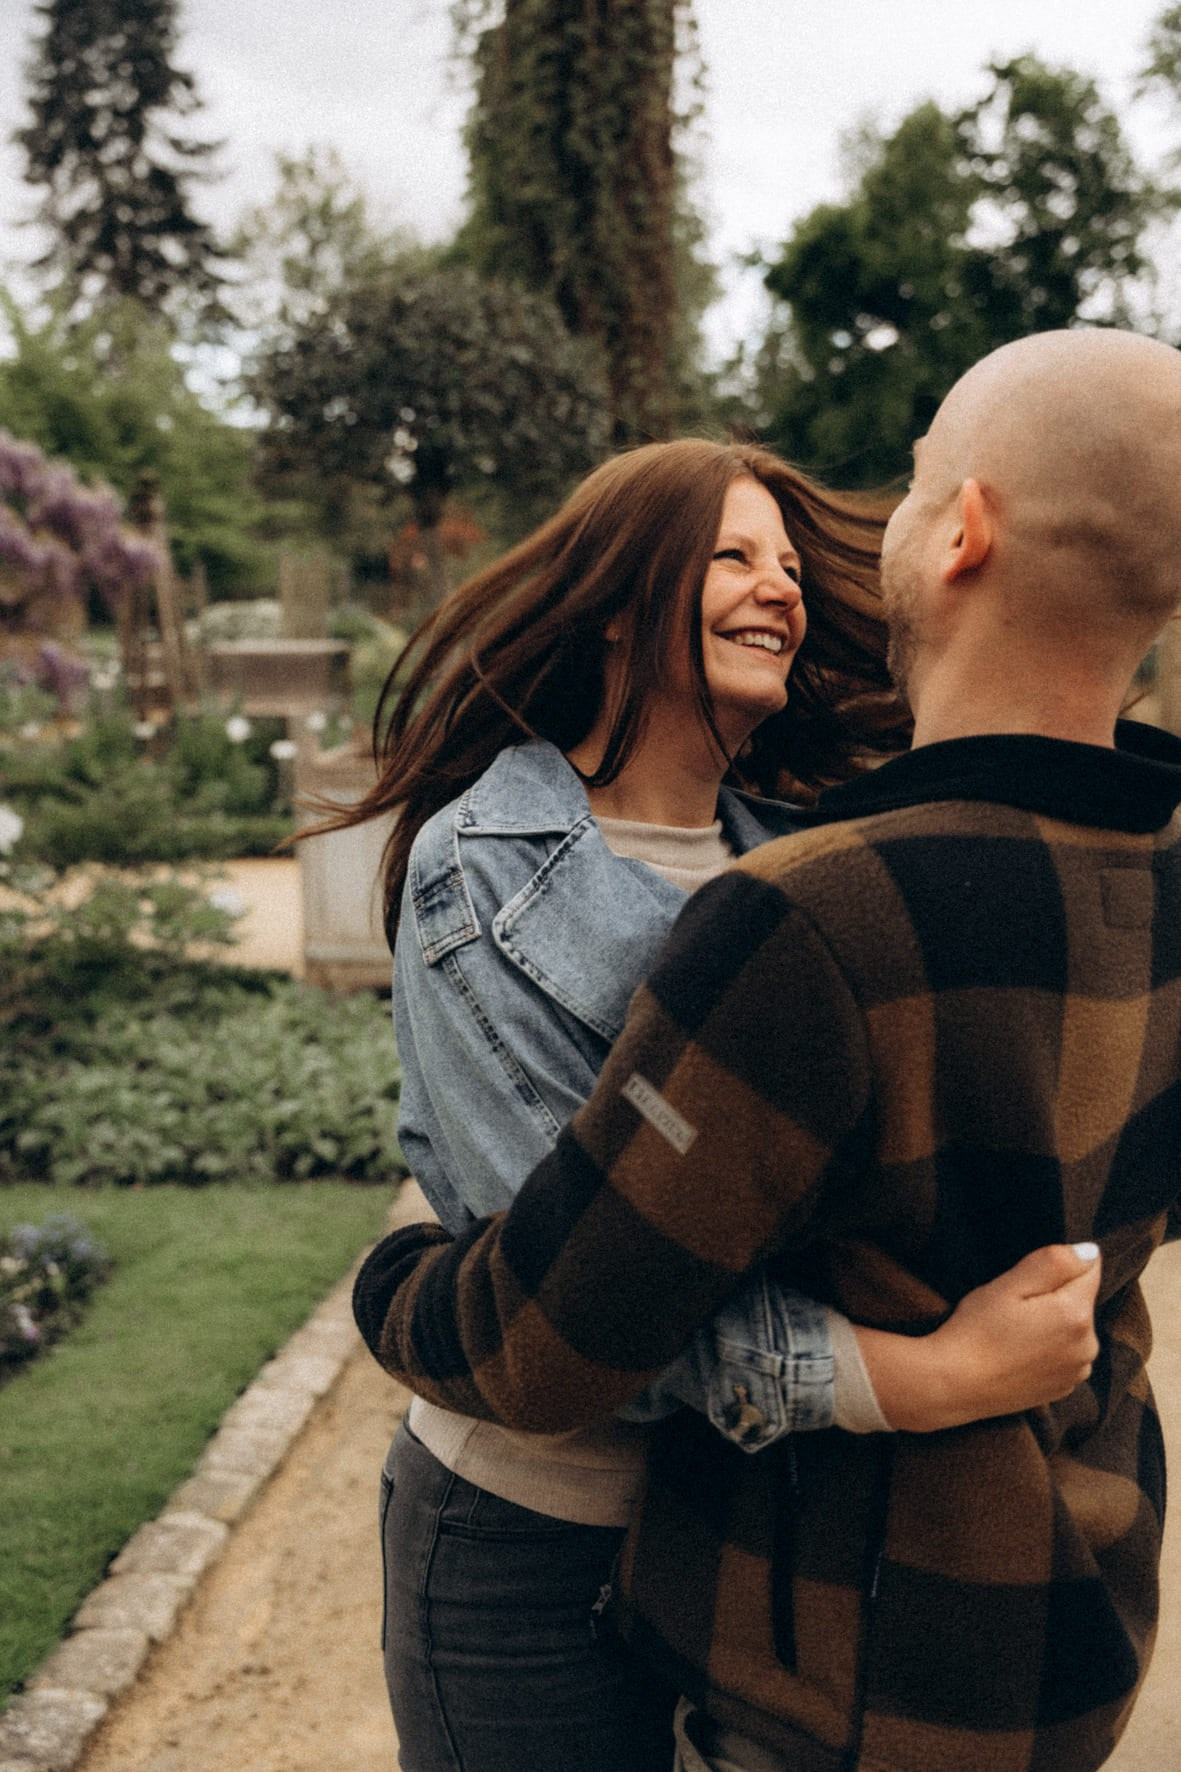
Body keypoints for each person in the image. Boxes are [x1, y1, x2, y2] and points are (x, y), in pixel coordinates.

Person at [354, 328, 1181, 1772]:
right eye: (734, 557)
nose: (789, 582)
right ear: (614, 602)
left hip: (740, 1543)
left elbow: (532, 1325)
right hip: (538, 1521)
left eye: (793, 559)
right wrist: (902, 1373)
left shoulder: (800, 875)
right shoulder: (490, 864)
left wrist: (395, 1291)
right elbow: (569, 1329)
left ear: (965, 527)